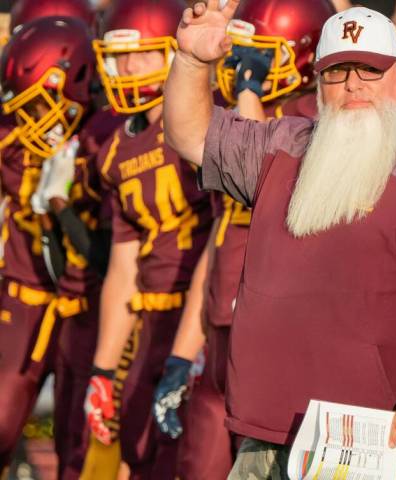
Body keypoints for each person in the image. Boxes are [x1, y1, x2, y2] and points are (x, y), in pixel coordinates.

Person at [165, 2, 396, 477]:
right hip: (265, 431)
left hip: (365, 437)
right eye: (337, 72)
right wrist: (192, 61)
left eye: (369, 70)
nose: (352, 86)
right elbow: (193, 137)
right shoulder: (285, 144)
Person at [151, 1, 335, 478]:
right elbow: (220, 244)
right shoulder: (245, 112)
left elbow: (259, 174)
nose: (239, 65)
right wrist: (181, 352)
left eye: (257, 52)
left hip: (278, 349)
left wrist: (249, 93)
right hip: (222, 337)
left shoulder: (313, 121)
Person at [83, 0, 213, 478]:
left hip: (204, 315)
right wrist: (102, 370)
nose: (128, 67)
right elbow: (122, 268)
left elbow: (226, 243)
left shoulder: (204, 125)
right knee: (136, 452)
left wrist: (191, 347)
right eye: (120, 56)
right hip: (150, 318)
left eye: (141, 54)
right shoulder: (116, 146)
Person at [0, 16, 97, 474]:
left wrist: (61, 205)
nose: (29, 121)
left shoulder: (106, 139)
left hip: (90, 309)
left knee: (81, 447)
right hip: (24, 296)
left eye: (38, 107)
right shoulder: (12, 143)